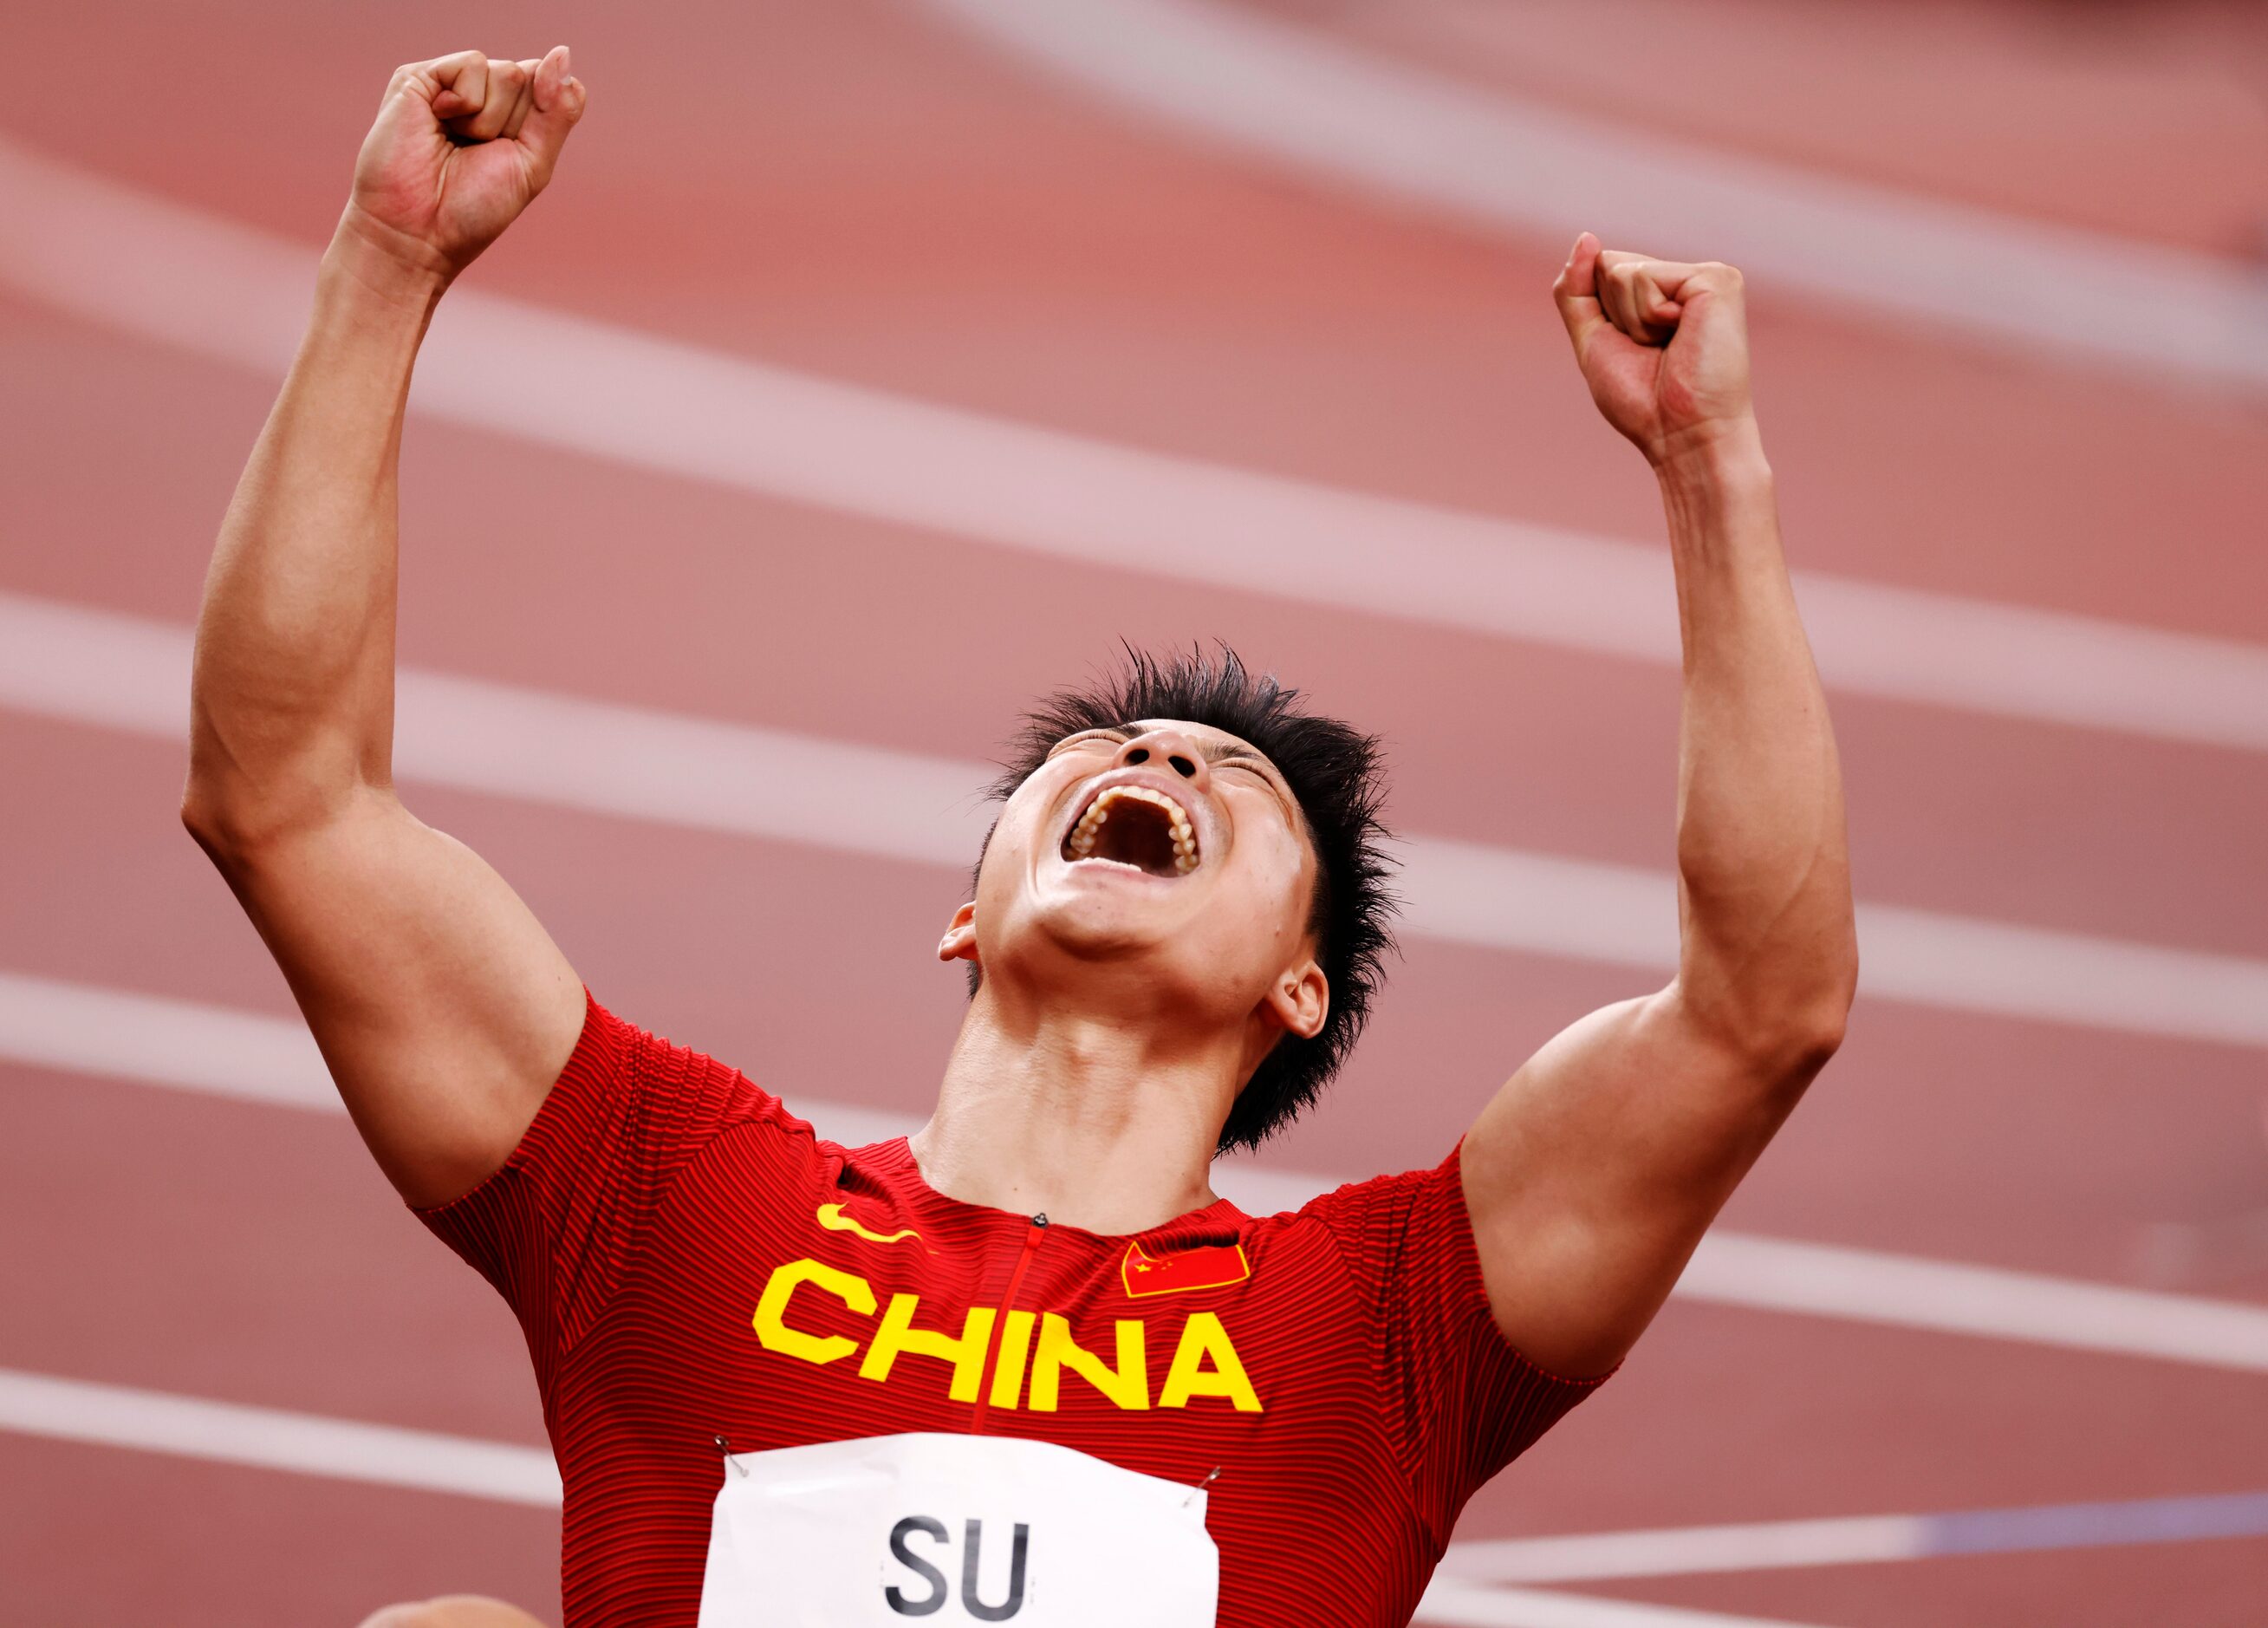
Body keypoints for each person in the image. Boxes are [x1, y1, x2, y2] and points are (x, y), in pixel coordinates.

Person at [185, 46, 1856, 1628]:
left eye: (1237, 784)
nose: (1153, 757)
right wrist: (388, 260)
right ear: (963, 918)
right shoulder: (675, 1198)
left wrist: (1711, 466)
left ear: (1297, 984)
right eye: (1106, 750)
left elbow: (1757, 1006)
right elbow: (287, 797)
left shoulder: (1383, 1321)